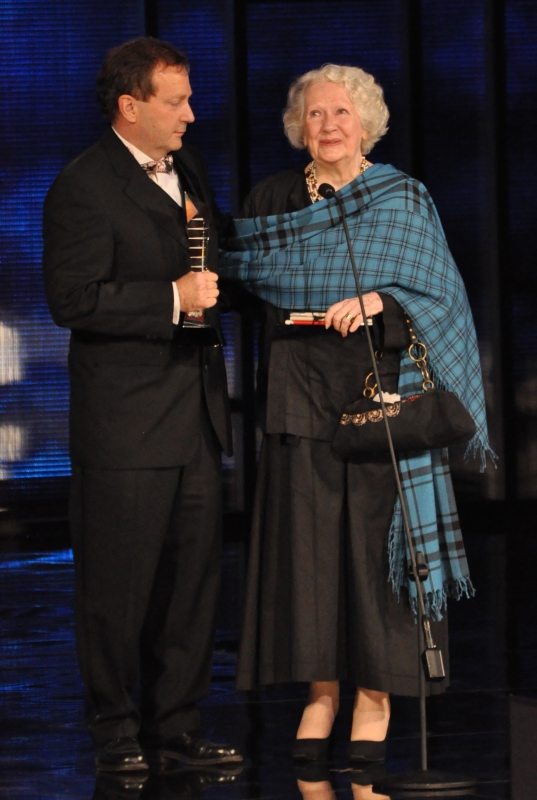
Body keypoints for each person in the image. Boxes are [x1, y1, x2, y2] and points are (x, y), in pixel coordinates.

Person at [222, 64, 492, 764]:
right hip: (299, 397)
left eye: (341, 113)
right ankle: (322, 697)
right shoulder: (274, 197)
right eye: (314, 114)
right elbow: (248, 277)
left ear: (365, 123)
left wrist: (382, 301)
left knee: (375, 563)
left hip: (382, 400)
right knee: (308, 564)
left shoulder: (400, 199)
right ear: (297, 127)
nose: (328, 125)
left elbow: (442, 298)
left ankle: (374, 699)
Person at [43, 38, 242, 774]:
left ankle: (177, 727)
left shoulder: (184, 170)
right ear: (131, 107)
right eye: (177, 101)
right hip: (126, 427)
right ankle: (116, 732)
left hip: (192, 416)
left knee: (190, 588)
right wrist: (170, 298)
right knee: (117, 591)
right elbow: (72, 298)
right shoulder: (84, 185)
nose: (191, 114)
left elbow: (212, 264)